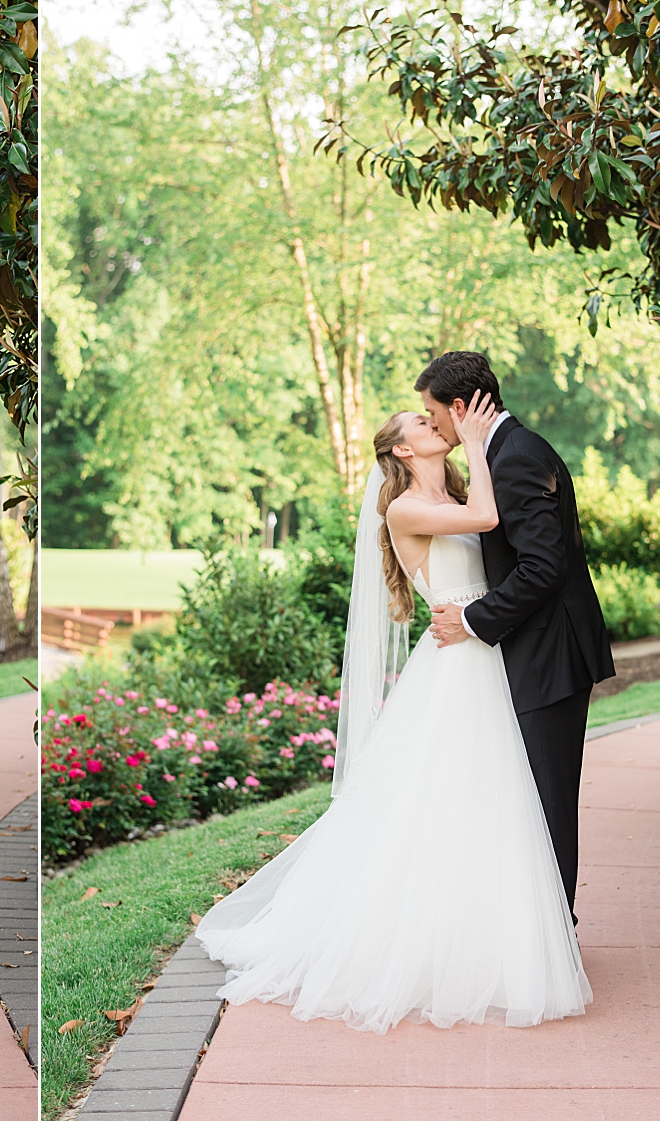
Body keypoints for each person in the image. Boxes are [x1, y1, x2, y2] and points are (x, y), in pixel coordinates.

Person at [195, 389, 593, 1034]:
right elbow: (491, 521)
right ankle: (428, 943)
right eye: (422, 422)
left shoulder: (448, 498)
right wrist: (476, 440)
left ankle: (491, 936)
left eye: (435, 414)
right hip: (459, 658)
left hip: (481, 648)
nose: (435, 423)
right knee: (440, 800)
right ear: (404, 449)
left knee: (489, 802)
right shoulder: (409, 506)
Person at [419, 352, 614, 923]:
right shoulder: (507, 452)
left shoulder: (516, 460)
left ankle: (555, 934)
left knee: (548, 801)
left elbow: (542, 568)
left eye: (434, 416)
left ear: (460, 407)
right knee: (529, 798)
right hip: (538, 649)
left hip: (549, 654)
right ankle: (540, 931)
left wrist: (473, 620)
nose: (433, 427)